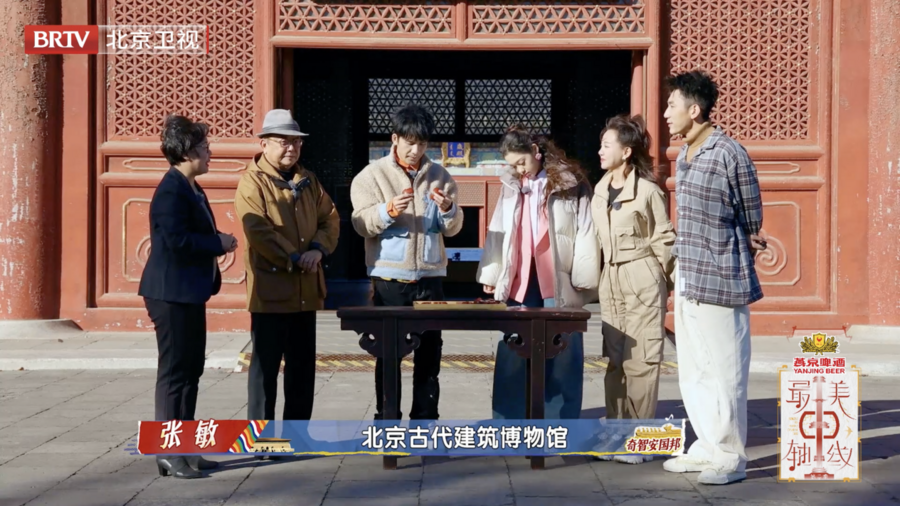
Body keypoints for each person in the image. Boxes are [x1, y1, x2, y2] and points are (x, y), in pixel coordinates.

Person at [661, 70, 767, 485]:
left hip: (721, 274)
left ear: (694, 110)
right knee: (694, 368)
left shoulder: (728, 152)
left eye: (672, 105)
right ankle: (706, 445)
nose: (666, 113)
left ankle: (729, 455)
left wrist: (739, 241)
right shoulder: (685, 154)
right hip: (689, 274)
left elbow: (751, 213)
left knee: (726, 371)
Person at [477, 124, 600, 421]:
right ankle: (508, 419)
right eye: (513, 165)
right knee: (513, 348)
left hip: (558, 277)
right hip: (521, 277)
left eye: (522, 162)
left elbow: (586, 230)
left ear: (535, 151)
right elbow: (498, 231)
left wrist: (583, 278)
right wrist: (492, 274)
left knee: (563, 350)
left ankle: (560, 421)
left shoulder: (571, 183)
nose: (519, 169)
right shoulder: (511, 185)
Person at [138, 114, 238, 478]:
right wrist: (218, 243)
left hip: (190, 293)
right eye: (204, 147)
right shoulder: (171, 190)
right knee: (175, 372)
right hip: (170, 294)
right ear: (186, 152)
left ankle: (187, 446)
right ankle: (168, 451)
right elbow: (176, 241)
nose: (210, 153)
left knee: (191, 370)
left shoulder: (192, 187)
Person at [350, 103, 463, 421]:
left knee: (430, 354)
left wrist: (448, 209)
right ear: (395, 138)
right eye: (410, 143)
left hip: (431, 278)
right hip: (390, 280)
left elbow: (453, 228)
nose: (416, 150)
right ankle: (387, 420)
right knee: (389, 355)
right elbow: (360, 223)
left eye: (422, 143)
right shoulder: (371, 175)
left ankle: (425, 421)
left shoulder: (440, 176)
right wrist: (387, 210)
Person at [235, 109, 340, 429]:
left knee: (302, 370)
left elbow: (330, 219)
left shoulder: (308, 180)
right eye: (283, 141)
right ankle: (261, 438)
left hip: (305, 291)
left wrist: (317, 250)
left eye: (296, 142)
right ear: (264, 144)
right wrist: (294, 256)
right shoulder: (252, 182)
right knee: (264, 371)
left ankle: (297, 436)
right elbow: (259, 231)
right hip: (270, 292)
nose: (291, 148)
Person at [590, 114, 676, 464]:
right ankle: (616, 432)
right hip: (610, 280)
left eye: (606, 145)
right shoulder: (599, 190)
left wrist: (667, 285)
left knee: (642, 360)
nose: (600, 151)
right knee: (615, 361)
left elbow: (664, 240)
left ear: (626, 152)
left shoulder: (649, 192)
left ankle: (641, 439)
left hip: (642, 277)